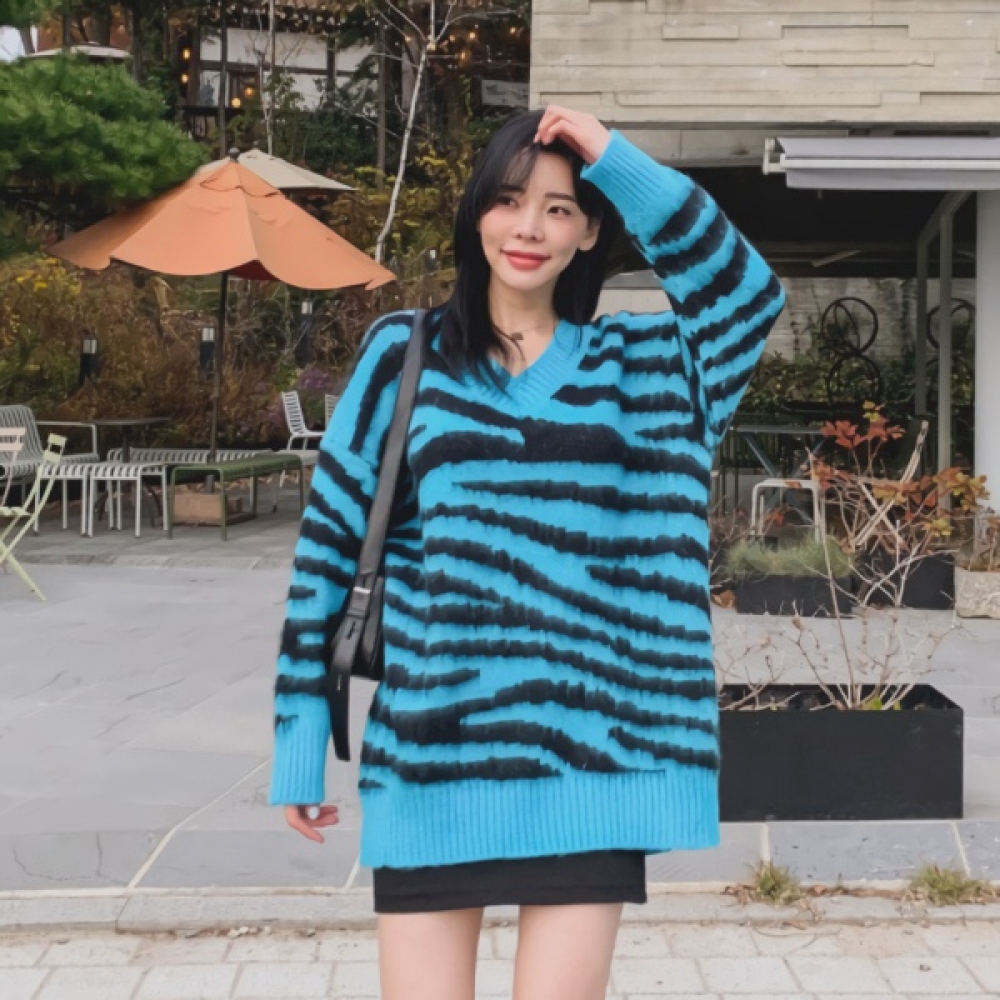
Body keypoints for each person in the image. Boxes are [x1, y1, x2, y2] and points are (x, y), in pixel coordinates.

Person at [270, 105, 786, 1000]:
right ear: (478, 213)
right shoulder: (405, 352)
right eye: (509, 200)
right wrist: (300, 740)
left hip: (596, 759)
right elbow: (327, 550)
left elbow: (745, 296)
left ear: (589, 231)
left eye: (559, 207)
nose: (529, 228)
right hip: (433, 755)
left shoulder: (650, 363)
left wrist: (611, 157)